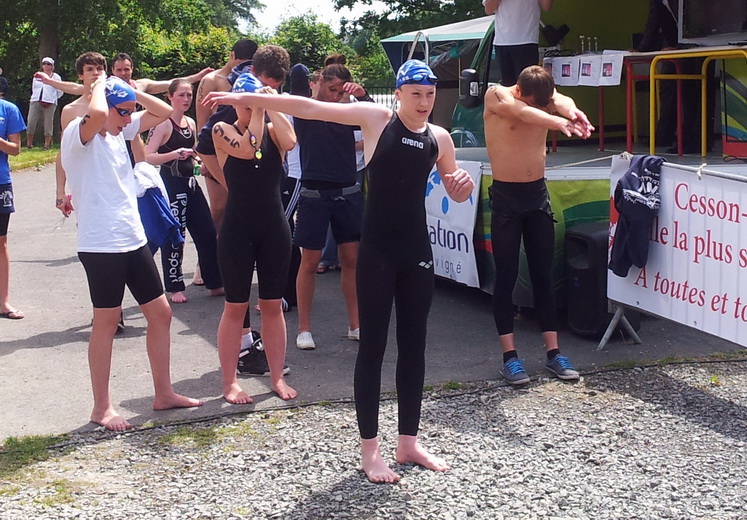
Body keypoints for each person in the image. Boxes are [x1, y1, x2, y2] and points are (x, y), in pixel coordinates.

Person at [202, 59, 475, 484]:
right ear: (399, 94)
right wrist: (248, 96)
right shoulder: (377, 119)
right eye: (416, 94)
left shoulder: (439, 138)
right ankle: (370, 451)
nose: (424, 103)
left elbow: (456, 188)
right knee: (372, 348)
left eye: (429, 95)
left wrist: (462, 188)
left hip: (416, 253)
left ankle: (408, 441)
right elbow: (310, 108)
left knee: (414, 347)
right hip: (378, 253)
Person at [60, 72, 203, 431]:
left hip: (132, 238)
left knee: (161, 313)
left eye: (129, 112)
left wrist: (131, 94)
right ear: (103, 105)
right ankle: (101, 407)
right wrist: (99, 88)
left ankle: (164, 393)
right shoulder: (78, 134)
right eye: (122, 112)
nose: (128, 119)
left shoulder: (117, 132)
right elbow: (96, 114)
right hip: (100, 244)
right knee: (106, 323)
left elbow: (164, 111)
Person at [483, 65, 593, 385]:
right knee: (505, 276)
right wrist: (559, 122)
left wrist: (574, 113)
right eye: (533, 103)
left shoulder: (546, 97)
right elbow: (523, 114)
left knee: (543, 275)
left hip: (536, 196)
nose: (539, 108)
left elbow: (563, 101)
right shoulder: (497, 95)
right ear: (519, 91)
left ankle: (554, 353)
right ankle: (510, 358)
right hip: (506, 198)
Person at [210, 73, 297, 403]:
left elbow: (290, 141)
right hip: (238, 229)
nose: (251, 109)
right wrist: (259, 109)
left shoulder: (273, 130)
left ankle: (276, 377)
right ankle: (230, 382)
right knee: (236, 306)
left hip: (273, 227)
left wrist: (270, 104)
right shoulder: (222, 130)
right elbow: (249, 149)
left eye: (254, 104)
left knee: (272, 305)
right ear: (236, 104)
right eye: (246, 104)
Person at [287, 55, 369, 350]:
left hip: (347, 191)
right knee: (309, 262)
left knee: (352, 261)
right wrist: (315, 83)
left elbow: (379, 118)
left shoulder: (348, 111)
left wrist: (361, 95)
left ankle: (355, 324)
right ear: (320, 82)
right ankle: (304, 329)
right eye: (332, 89)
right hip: (314, 193)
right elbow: (296, 76)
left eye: (340, 91)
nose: (336, 96)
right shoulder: (306, 110)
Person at [144, 79, 223, 303]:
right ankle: (174, 287)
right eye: (181, 95)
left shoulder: (190, 122)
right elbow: (148, 156)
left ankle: (214, 281)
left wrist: (200, 161)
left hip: (190, 183)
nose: (186, 99)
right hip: (171, 185)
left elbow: (194, 150)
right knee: (175, 237)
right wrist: (174, 154)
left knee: (207, 231)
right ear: (169, 97)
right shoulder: (163, 123)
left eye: (189, 95)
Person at [194, 39, 258, 233]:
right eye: (239, 63)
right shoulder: (212, 80)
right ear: (231, 56)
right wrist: (203, 157)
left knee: (241, 206)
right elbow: (202, 119)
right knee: (219, 207)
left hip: (243, 145)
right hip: (215, 148)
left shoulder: (254, 78)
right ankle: (212, 250)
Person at [0, 75, 26, 320]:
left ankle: (3, 302)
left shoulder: (8, 109)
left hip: (1, 182)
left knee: (1, 242)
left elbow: (16, 149)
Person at [483, 0, 553, 86]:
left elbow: (546, 6)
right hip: (503, 42)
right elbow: (489, 10)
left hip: (526, 41)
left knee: (527, 86)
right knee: (508, 87)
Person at [26, 57, 63, 150]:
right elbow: (34, 88)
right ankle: (29, 144)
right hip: (36, 100)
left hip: (50, 102)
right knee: (31, 121)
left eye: (48, 64)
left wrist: (53, 98)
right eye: (44, 64)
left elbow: (60, 90)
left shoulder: (56, 77)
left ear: (52, 66)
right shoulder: (37, 76)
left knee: (48, 123)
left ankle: (46, 145)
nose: (46, 66)